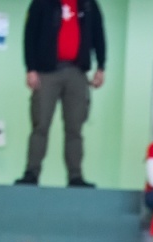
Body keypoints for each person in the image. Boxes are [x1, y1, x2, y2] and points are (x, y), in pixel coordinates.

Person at [19, 0, 106, 188]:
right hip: (46, 72)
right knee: (40, 125)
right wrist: (30, 68)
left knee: (75, 128)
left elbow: (99, 34)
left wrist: (101, 66)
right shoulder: (42, 3)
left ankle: (76, 176)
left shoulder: (89, 4)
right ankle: (31, 173)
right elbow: (30, 34)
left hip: (77, 72)